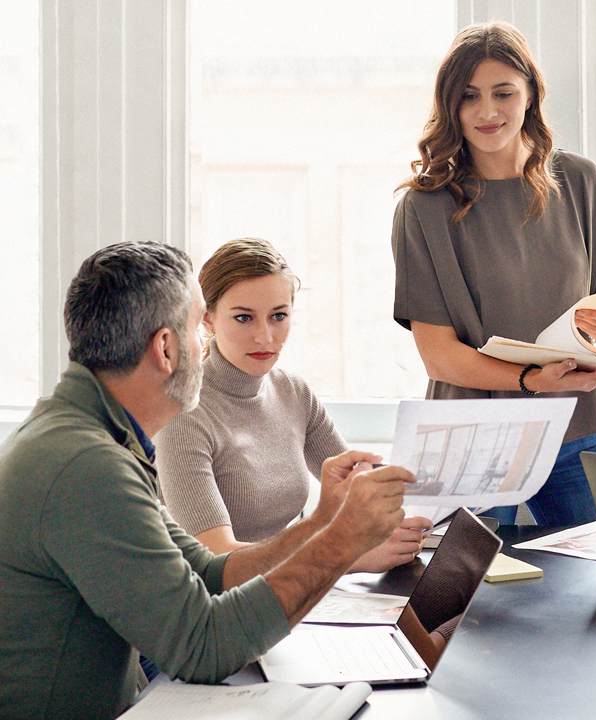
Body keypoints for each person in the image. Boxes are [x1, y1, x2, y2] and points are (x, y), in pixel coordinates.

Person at [0, 241, 412, 718]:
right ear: (167, 348)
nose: (206, 346)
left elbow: (210, 573)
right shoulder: (86, 466)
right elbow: (203, 648)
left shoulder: (89, 435)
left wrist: (322, 522)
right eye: (199, 328)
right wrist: (342, 543)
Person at [392, 21, 596, 526]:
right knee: (459, 598)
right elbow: (438, 355)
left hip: (575, 426)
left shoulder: (582, 180)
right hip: (472, 438)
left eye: (504, 92)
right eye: (469, 96)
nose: (488, 111)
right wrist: (530, 381)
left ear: (531, 96)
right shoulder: (424, 207)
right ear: (450, 105)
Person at [156, 238, 431, 570]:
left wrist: (416, 504)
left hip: (279, 590)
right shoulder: (183, 416)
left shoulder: (293, 392)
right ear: (208, 319)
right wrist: (345, 556)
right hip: (211, 603)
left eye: (278, 316)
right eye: (244, 318)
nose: (265, 337)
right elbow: (215, 558)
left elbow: (356, 490)